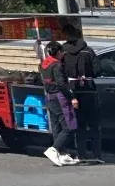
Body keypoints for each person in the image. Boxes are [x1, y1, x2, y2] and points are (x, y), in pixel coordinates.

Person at [62, 35, 102, 163]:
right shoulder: (88, 51)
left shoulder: (63, 52)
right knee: (94, 124)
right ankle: (97, 155)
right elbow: (97, 70)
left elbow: (60, 71)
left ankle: (81, 155)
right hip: (89, 89)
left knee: (80, 125)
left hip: (73, 90)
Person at [40, 38, 79, 166]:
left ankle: (62, 154)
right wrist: (72, 97)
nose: (63, 55)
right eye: (62, 52)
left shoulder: (43, 64)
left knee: (57, 126)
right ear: (58, 52)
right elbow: (61, 84)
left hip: (49, 97)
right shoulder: (57, 65)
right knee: (69, 126)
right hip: (59, 98)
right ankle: (54, 149)